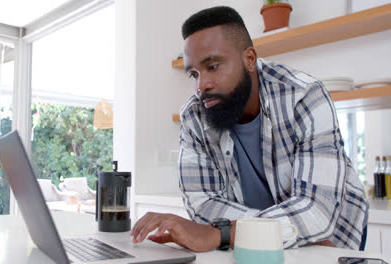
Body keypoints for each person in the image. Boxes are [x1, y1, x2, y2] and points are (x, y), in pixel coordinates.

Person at [130, 6, 369, 252]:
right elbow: (202, 204)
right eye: (193, 73)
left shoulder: (304, 96)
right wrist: (291, 229)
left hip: (332, 242)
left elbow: (316, 212)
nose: (202, 85)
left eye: (212, 66)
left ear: (250, 59)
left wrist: (222, 231)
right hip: (261, 244)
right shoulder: (194, 116)